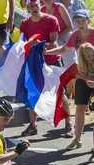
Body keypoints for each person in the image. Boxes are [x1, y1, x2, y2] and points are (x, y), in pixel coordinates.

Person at [19, 0, 73, 137]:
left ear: (40, 6)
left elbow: (54, 43)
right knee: (32, 92)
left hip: (52, 60)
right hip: (33, 62)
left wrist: (39, 45)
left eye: (36, 5)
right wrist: (29, 44)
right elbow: (22, 44)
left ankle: (68, 124)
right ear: (28, 9)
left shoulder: (51, 20)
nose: (34, 8)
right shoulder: (24, 24)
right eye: (31, 6)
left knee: (60, 93)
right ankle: (32, 125)